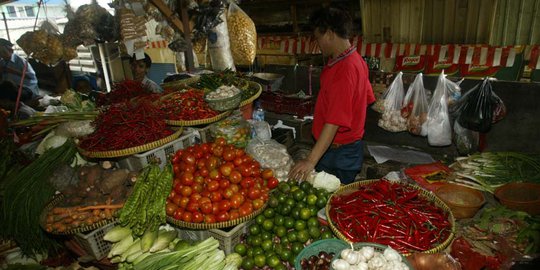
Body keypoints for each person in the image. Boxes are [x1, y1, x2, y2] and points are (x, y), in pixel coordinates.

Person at [288, 6, 376, 184]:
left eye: (318, 38)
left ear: (329, 33)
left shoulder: (344, 70)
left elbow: (335, 121)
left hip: (339, 153)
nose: (318, 43)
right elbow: (366, 99)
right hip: (343, 148)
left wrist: (310, 160)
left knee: (331, 200)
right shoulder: (355, 59)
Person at [0, 38, 39, 103]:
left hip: (25, 87)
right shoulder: (2, 62)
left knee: (13, 95)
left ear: (10, 50)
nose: (2, 55)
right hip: (11, 87)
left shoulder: (20, 60)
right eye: (0, 53)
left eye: (3, 52)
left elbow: (31, 76)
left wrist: (11, 70)